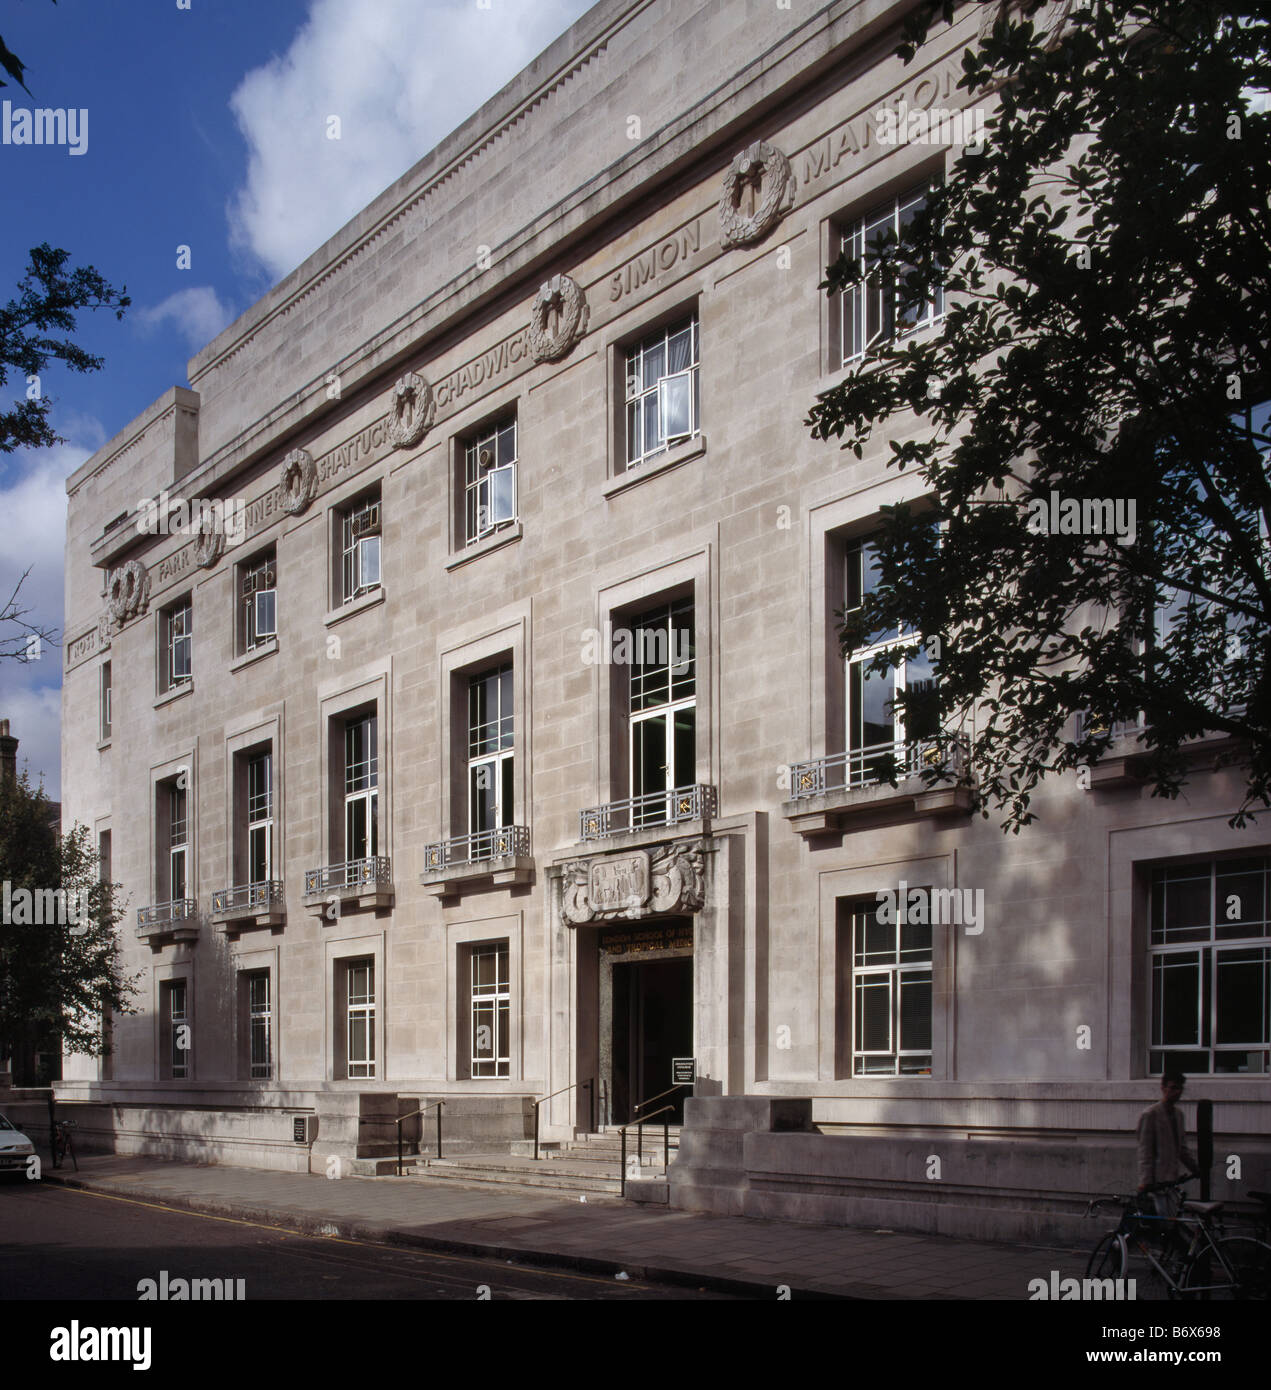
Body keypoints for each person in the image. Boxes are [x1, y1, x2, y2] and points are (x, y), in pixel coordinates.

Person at [1137, 1070, 1198, 1242]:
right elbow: (1145, 1151)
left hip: (1172, 1179)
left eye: (1179, 1088)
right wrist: (1145, 1182)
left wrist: (1195, 1168)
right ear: (1163, 1088)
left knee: (1174, 1223)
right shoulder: (1151, 1114)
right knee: (1165, 1224)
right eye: (1172, 1088)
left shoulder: (1179, 1115)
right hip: (1156, 1181)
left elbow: (1182, 1148)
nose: (1176, 1092)